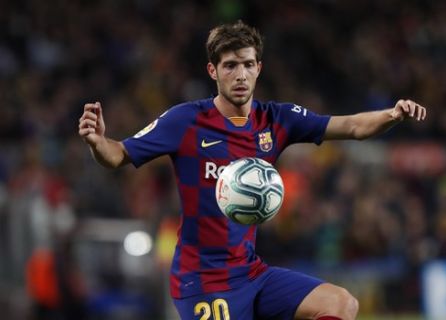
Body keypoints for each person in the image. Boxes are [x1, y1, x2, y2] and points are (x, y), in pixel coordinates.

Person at [78, 21, 426, 320]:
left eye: (247, 64)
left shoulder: (275, 120)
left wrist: (392, 115)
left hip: (250, 272)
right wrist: (97, 141)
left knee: (341, 303)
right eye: (230, 65)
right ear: (213, 71)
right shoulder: (185, 120)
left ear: (259, 67)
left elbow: (351, 126)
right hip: (202, 281)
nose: (240, 74)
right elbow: (118, 154)